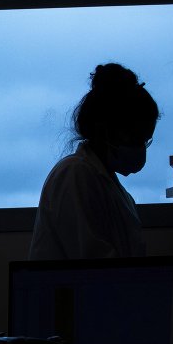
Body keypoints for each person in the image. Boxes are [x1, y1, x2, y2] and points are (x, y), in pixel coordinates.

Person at [29, 63, 160, 261]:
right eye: (136, 139)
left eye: (146, 140)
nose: (141, 149)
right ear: (107, 131)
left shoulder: (110, 185)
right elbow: (95, 264)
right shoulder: (74, 174)